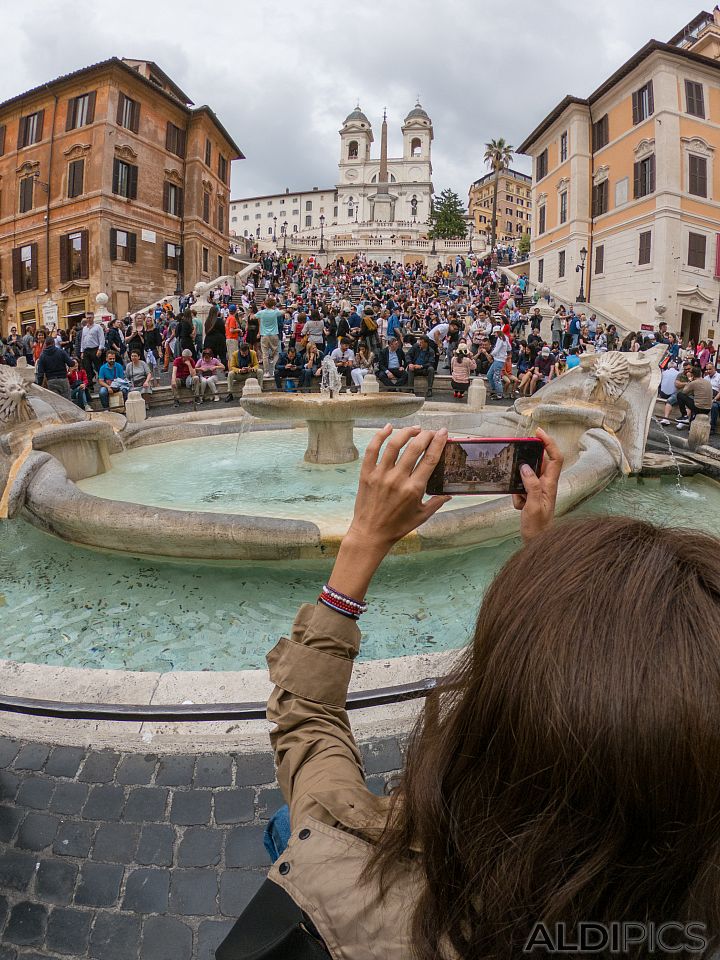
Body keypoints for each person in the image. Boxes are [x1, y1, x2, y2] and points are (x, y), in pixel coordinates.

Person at [256, 296, 284, 380]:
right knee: (276, 353)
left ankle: (266, 372)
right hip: (274, 334)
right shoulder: (275, 312)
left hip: (264, 335)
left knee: (265, 354)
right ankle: (274, 370)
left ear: (265, 304)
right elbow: (282, 312)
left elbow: (253, 316)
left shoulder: (261, 312)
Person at [80, 313, 105, 388]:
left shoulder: (98, 327)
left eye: (90, 318)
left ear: (93, 318)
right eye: (87, 318)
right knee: (87, 368)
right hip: (86, 350)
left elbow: (102, 338)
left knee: (98, 367)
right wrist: (82, 351)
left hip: (95, 349)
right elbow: (82, 340)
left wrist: (100, 349)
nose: (88, 319)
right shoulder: (84, 328)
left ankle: (102, 382)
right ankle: (90, 385)